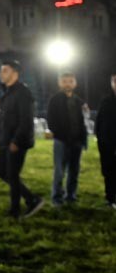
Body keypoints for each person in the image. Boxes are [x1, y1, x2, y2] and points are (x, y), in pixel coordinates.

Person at [0, 60, 44, 219]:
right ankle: (31, 199)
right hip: (5, 140)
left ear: (15, 73)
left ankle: (16, 210)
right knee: (2, 172)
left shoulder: (23, 93)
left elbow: (26, 120)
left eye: (5, 70)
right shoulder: (7, 93)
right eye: (1, 70)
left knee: (12, 174)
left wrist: (16, 141)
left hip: (16, 142)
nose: (1, 74)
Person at [46, 72, 87, 206]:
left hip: (76, 141)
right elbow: (50, 120)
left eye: (70, 81)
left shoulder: (79, 101)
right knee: (59, 171)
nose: (67, 84)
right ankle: (57, 198)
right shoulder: (54, 100)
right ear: (59, 83)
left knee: (74, 171)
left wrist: (82, 139)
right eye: (64, 81)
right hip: (61, 141)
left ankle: (71, 196)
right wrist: (59, 134)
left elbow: (83, 121)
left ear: (75, 83)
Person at [95, 73, 116, 210]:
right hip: (107, 145)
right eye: (115, 81)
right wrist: (101, 140)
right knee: (109, 172)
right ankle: (110, 199)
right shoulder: (106, 101)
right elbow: (99, 122)